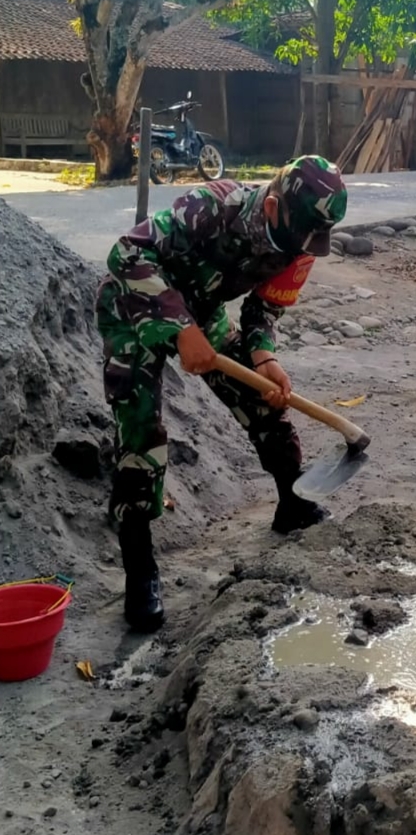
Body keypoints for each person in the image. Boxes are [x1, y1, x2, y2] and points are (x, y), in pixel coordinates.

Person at [96, 155, 348, 633]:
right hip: (135, 307)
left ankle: (292, 505)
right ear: (273, 207)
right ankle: (140, 570)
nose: (308, 249)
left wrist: (263, 356)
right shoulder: (210, 208)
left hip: (203, 308)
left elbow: (265, 309)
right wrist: (179, 326)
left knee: (264, 402)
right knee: (142, 434)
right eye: (305, 236)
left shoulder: (306, 240)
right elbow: (126, 253)